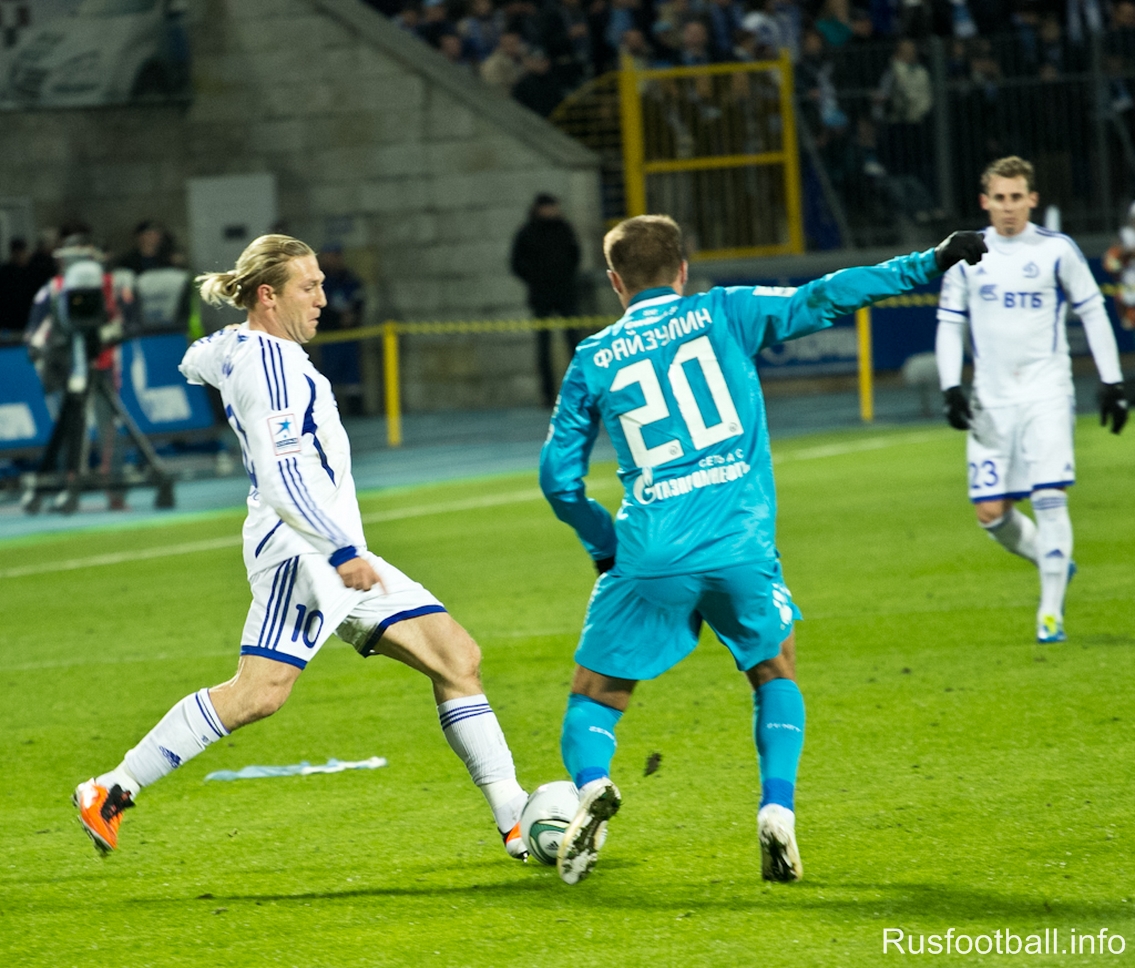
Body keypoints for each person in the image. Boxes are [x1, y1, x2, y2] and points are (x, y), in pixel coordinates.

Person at [539, 214, 986, 885]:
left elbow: (557, 480)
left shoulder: (593, 357)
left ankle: (594, 786)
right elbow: (825, 295)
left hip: (650, 550)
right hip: (739, 545)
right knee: (774, 671)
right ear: (682, 270)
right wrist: (929, 261)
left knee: (595, 695)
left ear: (614, 282)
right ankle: (776, 809)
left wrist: (605, 547)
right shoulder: (724, 311)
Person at [73, 234, 530, 862]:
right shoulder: (274, 371)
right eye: (308, 287)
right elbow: (283, 476)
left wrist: (220, 347)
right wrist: (339, 551)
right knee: (259, 691)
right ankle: (112, 787)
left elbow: (194, 359)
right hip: (305, 552)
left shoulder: (244, 349)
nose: (322, 299)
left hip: (326, 548)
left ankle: (514, 816)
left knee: (456, 657)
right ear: (269, 295)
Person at [935, 156, 1127, 645]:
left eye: (1017, 197)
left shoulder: (1056, 250)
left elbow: (1092, 311)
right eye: (999, 198)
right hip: (991, 402)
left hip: (1047, 393)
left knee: (1049, 498)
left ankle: (1050, 615)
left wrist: (1112, 381)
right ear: (985, 202)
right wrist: (951, 386)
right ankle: (1053, 559)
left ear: (1032, 199)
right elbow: (950, 323)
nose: (1008, 207)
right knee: (990, 514)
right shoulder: (968, 254)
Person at [509, 193, 583, 407]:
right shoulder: (527, 232)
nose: (552, 211)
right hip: (541, 296)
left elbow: (575, 255)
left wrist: (565, 276)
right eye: (548, 207)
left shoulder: (564, 229)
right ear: (539, 208)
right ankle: (548, 395)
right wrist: (536, 279)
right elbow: (516, 263)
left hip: (565, 294)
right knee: (544, 348)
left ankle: (581, 391)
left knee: (574, 343)